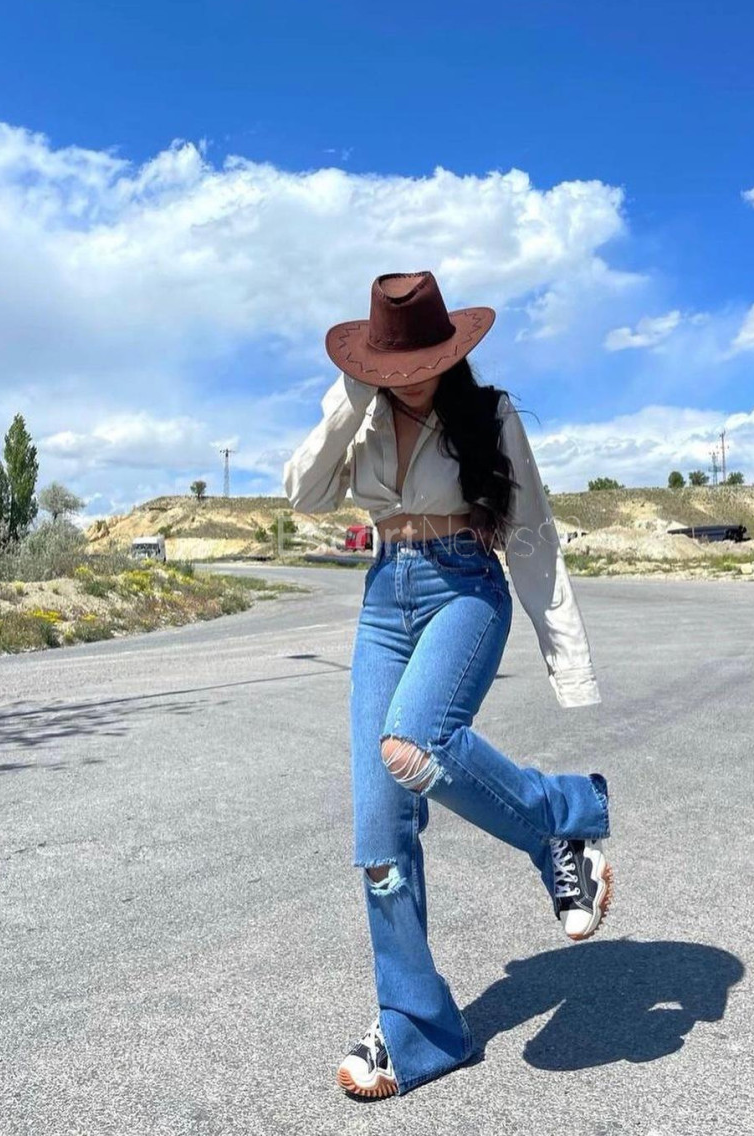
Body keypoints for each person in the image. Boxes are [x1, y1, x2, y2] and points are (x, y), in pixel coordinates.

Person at [282, 270, 612, 1100]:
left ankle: (559, 821)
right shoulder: (359, 416)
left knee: (413, 744)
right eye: (394, 367)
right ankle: (420, 1028)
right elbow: (303, 494)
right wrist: (349, 398)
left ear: (449, 351)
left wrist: (567, 661)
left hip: (465, 586)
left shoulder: (487, 414)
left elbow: (532, 532)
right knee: (378, 830)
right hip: (383, 599)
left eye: (423, 363)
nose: (411, 379)